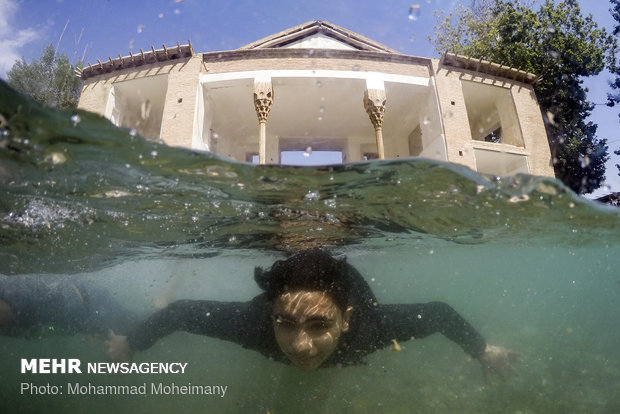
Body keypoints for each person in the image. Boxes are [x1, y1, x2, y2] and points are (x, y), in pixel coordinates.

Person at [106, 249, 518, 378]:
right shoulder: (253, 325)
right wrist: (131, 343)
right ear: (271, 316)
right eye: (286, 324)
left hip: (350, 293)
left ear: (347, 321)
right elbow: (180, 313)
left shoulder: (370, 327)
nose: (300, 346)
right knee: (163, 307)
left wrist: (483, 350)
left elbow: (440, 313)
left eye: (319, 325)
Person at [0, 274, 135, 339]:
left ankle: (157, 306)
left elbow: (67, 292)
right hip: (82, 310)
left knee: (132, 325)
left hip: (87, 297)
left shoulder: (13, 294)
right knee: (127, 328)